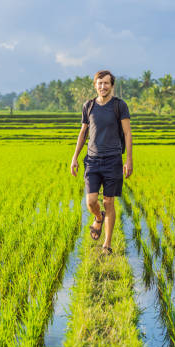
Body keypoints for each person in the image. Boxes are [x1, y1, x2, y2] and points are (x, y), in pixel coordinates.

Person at [70, 70, 133, 254]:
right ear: (95, 85)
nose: (103, 86)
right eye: (99, 83)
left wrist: (128, 160)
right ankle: (98, 218)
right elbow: (83, 133)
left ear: (112, 85)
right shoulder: (89, 106)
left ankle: (107, 244)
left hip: (113, 159)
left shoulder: (119, 106)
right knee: (91, 202)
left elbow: (128, 133)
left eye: (106, 83)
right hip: (92, 161)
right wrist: (74, 157)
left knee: (109, 202)